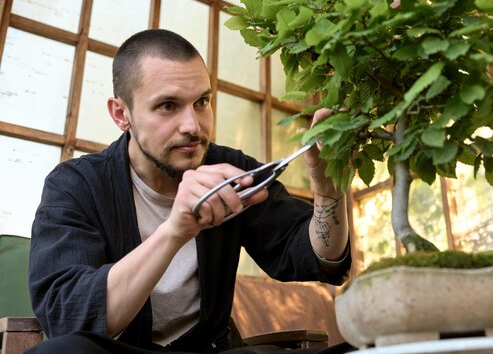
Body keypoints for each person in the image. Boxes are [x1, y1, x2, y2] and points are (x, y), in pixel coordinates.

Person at [27, 29, 351, 354]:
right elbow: (70, 318)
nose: (193, 126)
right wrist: (174, 232)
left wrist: (329, 190)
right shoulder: (76, 185)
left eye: (202, 102)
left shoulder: (230, 170)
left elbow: (313, 256)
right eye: (168, 106)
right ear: (121, 114)